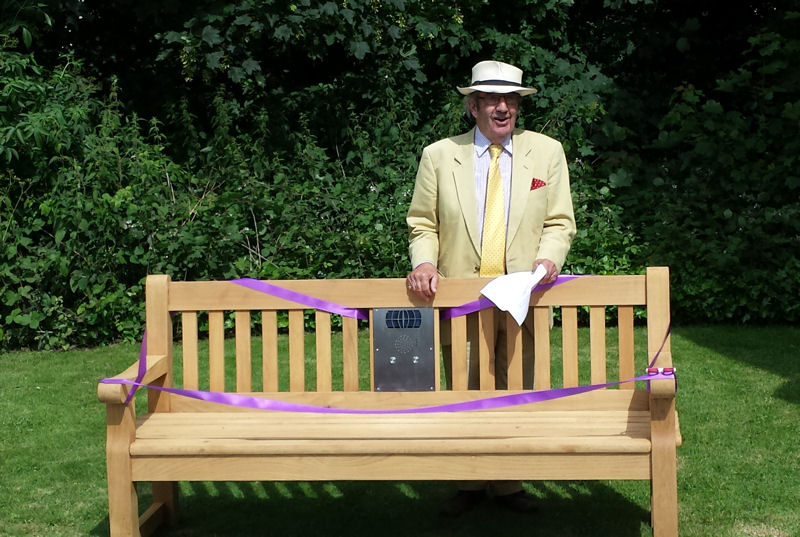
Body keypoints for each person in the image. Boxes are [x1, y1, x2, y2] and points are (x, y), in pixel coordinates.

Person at [405, 60, 576, 515]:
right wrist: (423, 262)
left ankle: (507, 482)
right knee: (465, 388)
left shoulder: (547, 152)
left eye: (512, 100)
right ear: (473, 106)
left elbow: (559, 222)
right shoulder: (439, 155)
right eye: (493, 100)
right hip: (462, 299)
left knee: (515, 386)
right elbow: (423, 223)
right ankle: (467, 481)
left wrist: (549, 259)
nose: (503, 108)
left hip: (526, 296)